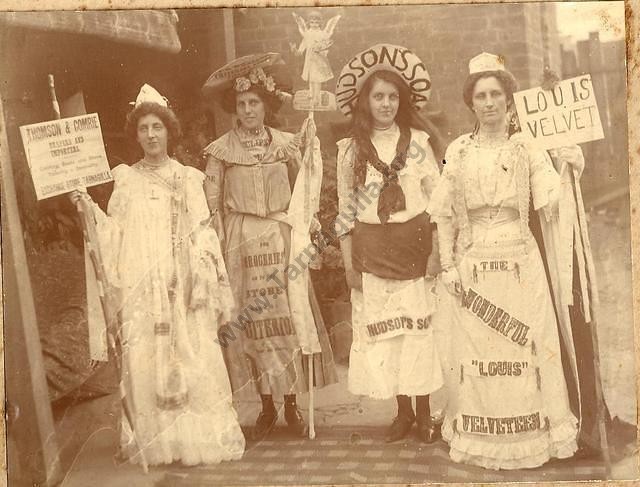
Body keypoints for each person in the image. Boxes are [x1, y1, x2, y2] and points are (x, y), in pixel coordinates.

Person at [69, 84, 245, 466]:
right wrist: (89, 211)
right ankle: (159, 443)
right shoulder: (126, 181)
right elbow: (115, 235)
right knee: (147, 361)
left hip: (183, 287)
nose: (151, 135)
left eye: (157, 127)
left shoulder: (188, 178)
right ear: (136, 135)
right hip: (144, 289)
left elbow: (204, 233)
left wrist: (196, 278)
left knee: (192, 357)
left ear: (169, 131)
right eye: (143, 128)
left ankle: (195, 440)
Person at [428, 53, 580, 469]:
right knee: (479, 353)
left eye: (497, 94)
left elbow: (550, 196)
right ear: (470, 102)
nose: (490, 102)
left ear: (509, 101)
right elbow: (443, 215)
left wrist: (565, 159)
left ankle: (531, 435)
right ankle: (482, 435)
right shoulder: (457, 151)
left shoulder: (525, 146)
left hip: (519, 260)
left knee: (524, 349)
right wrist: (447, 265)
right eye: (481, 95)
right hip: (472, 262)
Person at [203, 62, 337, 440]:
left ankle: (292, 404)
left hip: (280, 236)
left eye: (254, 103)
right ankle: (265, 406)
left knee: (287, 317)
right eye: (242, 103)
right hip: (241, 239)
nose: (248, 110)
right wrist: (215, 248)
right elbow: (212, 206)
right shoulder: (220, 153)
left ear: (265, 106)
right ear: (235, 107)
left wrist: (309, 148)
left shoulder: (285, 144)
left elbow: (304, 191)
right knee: (253, 323)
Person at [334, 44, 445, 443]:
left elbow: (437, 202)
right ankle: (402, 413)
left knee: (419, 331)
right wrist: (349, 265)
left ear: (403, 100)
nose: (385, 104)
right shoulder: (350, 150)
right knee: (389, 335)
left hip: (413, 247)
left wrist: (435, 253)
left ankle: (426, 413)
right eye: (378, 96)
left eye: (393, 96)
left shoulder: (419, 141)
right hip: (372, 251)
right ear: (365, 101)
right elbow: (346, 210)